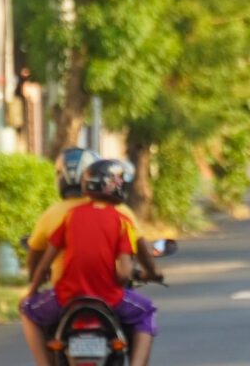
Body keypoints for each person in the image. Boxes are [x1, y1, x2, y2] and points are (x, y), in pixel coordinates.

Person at [20, 159, 160, 366]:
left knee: (27, 310)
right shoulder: (122, 220)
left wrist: (31, 292)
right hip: (109, 298)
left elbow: (44, 263)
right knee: (146, 311)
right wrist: (143, 274)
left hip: (66, 298)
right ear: (118, 187)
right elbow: (123, 273)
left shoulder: (70, 216)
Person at [26, 148, 162, 288]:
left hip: (65, 294)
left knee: (28, 307)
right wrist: (152, 272)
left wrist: (33, 283)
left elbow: (35, 257)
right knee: (145, 309)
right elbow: (141, 250)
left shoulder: (54, 214)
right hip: (109, 292)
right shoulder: (120, 212)